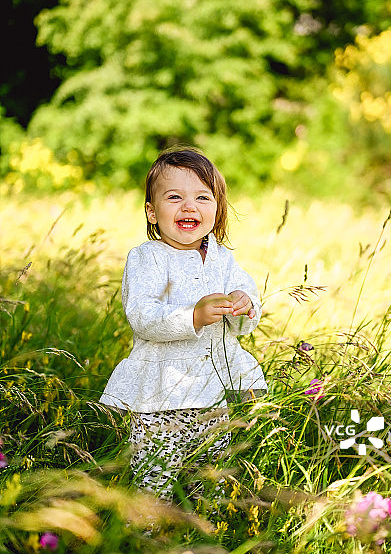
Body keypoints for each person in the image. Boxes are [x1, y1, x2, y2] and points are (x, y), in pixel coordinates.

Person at [98, 147, 268, 501]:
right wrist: (193, 316)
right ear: (151, 211)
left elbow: (248, 307)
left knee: (211, 477)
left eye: (203, 198)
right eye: (174, 197)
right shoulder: (147, 258)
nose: (189, 207)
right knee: (155, 478)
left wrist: (244, 303)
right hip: (160, 399)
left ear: (217, 208)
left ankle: (205, 536)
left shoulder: (223, 259)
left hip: (212, 395)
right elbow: (143, 316)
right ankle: (148, 535)